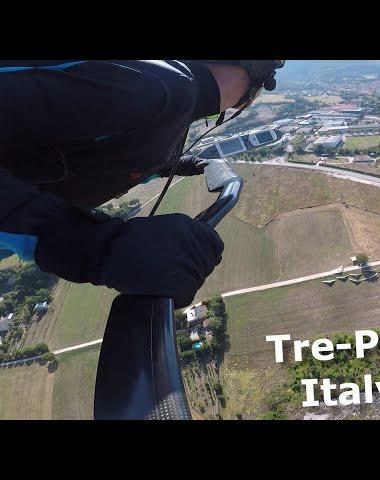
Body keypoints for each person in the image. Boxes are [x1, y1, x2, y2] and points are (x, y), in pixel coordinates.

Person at [0, 60, 284, 307]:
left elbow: (107, 157)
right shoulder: (163, 87)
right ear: (257, 75)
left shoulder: (168, 95)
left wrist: (177, 165)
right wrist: (93, 246)